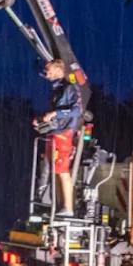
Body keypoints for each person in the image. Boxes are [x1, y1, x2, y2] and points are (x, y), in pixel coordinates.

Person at [34, 57, 90, 217]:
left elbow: (76, 110)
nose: (47, 73)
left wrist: (55, 113)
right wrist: (40, 119)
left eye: (49, 69)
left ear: (59, 69)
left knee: (62, 170)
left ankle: (68, 208)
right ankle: (60, 206)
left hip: (64, 134)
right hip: (55, 132)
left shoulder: (70, 88)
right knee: (55, 170)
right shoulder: (57, 89)